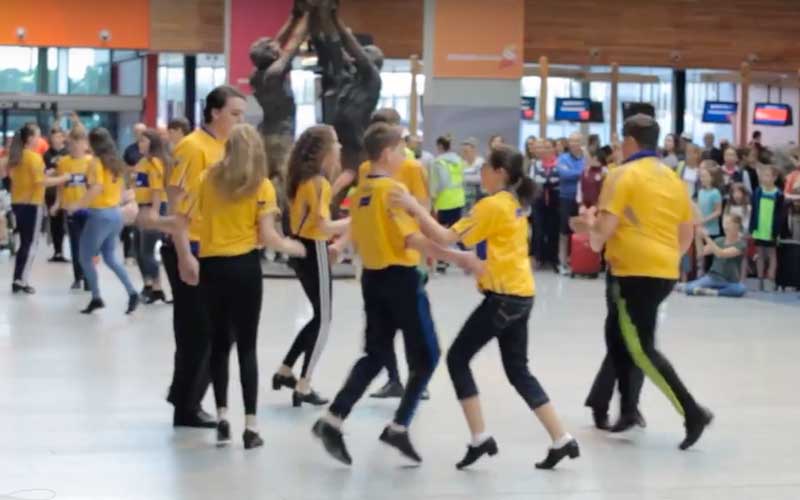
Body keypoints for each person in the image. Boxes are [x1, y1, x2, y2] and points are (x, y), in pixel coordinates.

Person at [392, 144, 580, 470]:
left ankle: (480, 438)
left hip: (504, 297)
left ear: (500, 173)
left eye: (485, 168)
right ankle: (562, 438)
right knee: (518, 370)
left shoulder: (492, 205)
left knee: (457, 359)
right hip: (522, 294)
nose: (479, 173)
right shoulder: (515, 203)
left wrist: (413, 207)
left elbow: (446, 237)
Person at [311, 122, 480, 466]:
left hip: (372, 279)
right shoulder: (392, 190)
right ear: (387, 153)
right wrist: (457, 256)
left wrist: (342, 246)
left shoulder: (360, 192)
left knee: (374, 354)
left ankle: (333, 419)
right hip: (401, 279)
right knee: (428, 355)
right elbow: (412, 239)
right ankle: (399, 426)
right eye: (401, 149)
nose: (405, 155)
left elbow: (357, 228)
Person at [572, 113, 713, 451]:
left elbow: (600, 236)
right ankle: (623, 407)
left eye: (621, 141)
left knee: (640, 347)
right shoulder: (673, 178)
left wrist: (586, 226)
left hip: (631, 272)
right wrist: (666, 257)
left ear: (630, 141)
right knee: (620, 340)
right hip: (663, 269)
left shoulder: (621, 176)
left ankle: (691, 411)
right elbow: (686, 231)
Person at [168, 123, 305, 449]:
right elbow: (269, 236)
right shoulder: (261, 187)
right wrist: (293, 248)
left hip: (212, 268)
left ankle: (223, 415)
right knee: (247, 347)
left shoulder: (206, 180)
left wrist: (186, 255)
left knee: (218, 346)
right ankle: (252, 425)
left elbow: (182, 219)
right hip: (245, 268)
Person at [161, 85, 247, 429]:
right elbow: (175, 201)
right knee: (197, 332)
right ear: (215, 112)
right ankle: (186, 405)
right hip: (190, 248)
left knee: (222, 331)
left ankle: (185, 396)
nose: (240, 121)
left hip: (216, 249)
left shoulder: (226, 148)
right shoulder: (192, 147)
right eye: (235, 114)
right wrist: (184, 254)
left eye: (242, 115)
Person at [273, 125, 350, 407]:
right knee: (325, 319)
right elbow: (324, 225)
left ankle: (286, 370)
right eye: (337, 143)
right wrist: (359, 220)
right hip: (314, 247)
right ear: (325, 151)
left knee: (318, 316)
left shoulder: (303, 179)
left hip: (300, 248)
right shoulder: (318, 183)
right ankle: (304, 385)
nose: (340, 148)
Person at [65, 128, 139, 314]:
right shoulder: (116, 163)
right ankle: (132, 292)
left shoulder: (96, 163)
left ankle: (96, 296)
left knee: (84, 257)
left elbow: (96, 188)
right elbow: (121, 189)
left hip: (100, 215)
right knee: (110, 258)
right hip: (115, 214)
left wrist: (78, 205)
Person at [8, 123, 70, 294]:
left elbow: (31, 177)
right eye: (38, 135)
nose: (40, 138)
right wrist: (63, 178)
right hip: (31, 204)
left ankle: (18, 278)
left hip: (18, 202)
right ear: (30, 138)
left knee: (24, 243)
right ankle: (21, 280)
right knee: (30, 244)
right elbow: (40, 182)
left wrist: (48, 173)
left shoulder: (17, 156)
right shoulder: (34, 157)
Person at [133, 129, 169, 304]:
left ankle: (157, 288)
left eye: (144, 141)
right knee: (139, 250)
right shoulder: (142, 162)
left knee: (146, 250)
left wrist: (154, 211)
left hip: (153, 207)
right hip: (141, 207)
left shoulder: (155, 162)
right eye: (139, 141)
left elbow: (157, 189)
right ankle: (148, 285)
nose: (140, 144)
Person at [56, 127, 92, 290]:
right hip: (70, 208)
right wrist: (57, 203)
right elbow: (60, 185)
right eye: (72, 144)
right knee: (75, 244)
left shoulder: (91, 162)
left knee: (90, 245)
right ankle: (78, 276)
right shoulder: (64, 162)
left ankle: (90, 277)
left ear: (85, 144)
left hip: (89, 209)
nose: (75, 147)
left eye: (78, 143)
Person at [681, 214, 747, 297]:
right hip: (713, 277)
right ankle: (708, 290)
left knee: (740, 289)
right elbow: (701, 253)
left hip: (730, 281)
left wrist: (706, 237)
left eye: (728, 223)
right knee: (689, 288)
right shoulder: (719, 240)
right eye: (725, 223)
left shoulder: (741, 244)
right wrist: (698, 237)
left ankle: (713, 292)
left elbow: (721, 254)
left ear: (737, 226)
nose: (725, 226)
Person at [429, 136, 467, 272]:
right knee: (458, 230)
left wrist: (432, 196)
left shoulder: (439, 162)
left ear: (439, 146)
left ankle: (442, 261)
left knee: (441, 232)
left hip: (445, 200)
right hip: (458, 198)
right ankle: (467, 255)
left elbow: (440, 183)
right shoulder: (458, 160)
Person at [750, 164, 784, 291]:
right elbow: (754, 210)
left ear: (774, 178)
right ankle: (760, 280)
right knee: (760, 253)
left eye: (768, 176)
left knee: (772, 254)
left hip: (771, 230)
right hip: (759, 228)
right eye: (764, 175)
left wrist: (777, 231)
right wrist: (752, 227)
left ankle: (771, 278)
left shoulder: (778, 194)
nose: (765, 178)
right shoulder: (758, 191)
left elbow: (780, 215)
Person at [556, 132, 586, 275]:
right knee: (564, 231)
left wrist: (575, 172)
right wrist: (580, 172)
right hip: (566, 197)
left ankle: (578, 261)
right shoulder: (562, 158)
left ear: (581, 142)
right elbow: (564, 175)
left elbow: (589, 173)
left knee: (581, 230)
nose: (574, 144)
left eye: (577, 141)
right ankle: (562, 262)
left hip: (582, 199)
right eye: (571, 141)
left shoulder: (586, 158)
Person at [531, 139, 560, 270]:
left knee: (553, 230)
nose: (545, 150)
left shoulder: (559, 163)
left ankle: (552, 258)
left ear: (554, 149)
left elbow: (559, 179)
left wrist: (546, 182)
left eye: (548, 147)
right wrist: (547, 182)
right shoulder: (535, 164)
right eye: (543, 148)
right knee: (538, 230)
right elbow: (533, 180)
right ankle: (539, 257)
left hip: (555, 201)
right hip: (539, 200)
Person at [44, 126, 69, 263]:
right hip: (52, 192)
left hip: (67, 191)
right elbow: (46, 172)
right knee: (55, 222)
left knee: (67, 222)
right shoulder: (47, 154)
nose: (57, 139)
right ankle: (57, 251)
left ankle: (66, 250)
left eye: (60, 136)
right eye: (55, 136)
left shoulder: (68, 153)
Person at [697, 161, 723, 274]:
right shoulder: (701, 192)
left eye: (704, 176)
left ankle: (711, 276)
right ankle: (701, 275)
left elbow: (718, 211)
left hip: (712, 230)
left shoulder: (715, 193)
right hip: (701, 229)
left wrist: (704, 219)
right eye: (701, 176)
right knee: (701, 254)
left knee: (710, 257)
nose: (702, 179)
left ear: (711, 178)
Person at [460, 137, 484, 209]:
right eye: (463, 151)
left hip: (477, 198)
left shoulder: (480, 162)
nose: (464, 153)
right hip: (463, 199)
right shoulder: (461, 163)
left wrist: (463, 178)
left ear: (473, 149)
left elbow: (481, 179)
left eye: (466, 151)